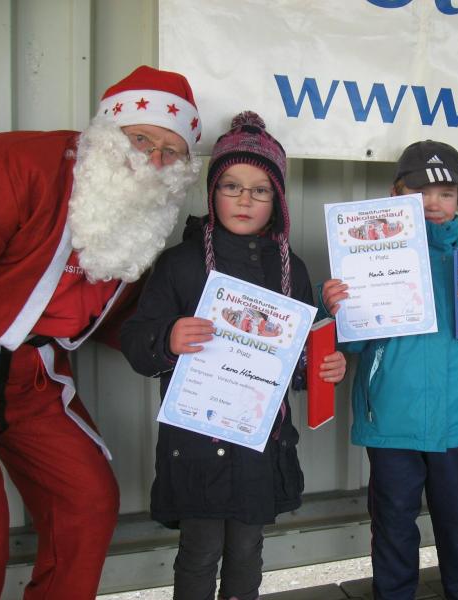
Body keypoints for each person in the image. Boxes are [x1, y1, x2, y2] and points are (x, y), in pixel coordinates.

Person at [0, 65, 203, 600]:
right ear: (106, 131)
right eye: (141, 139)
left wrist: (201, 344)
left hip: (33, 378)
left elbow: (117, 319)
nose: (153, 161)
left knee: (86, 502)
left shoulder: (144, 213)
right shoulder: (15, 163)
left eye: (170, 152)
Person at [120, 111, 347, 600]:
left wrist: (324, 367)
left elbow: (301, 360)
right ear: (212, 193)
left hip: (260, 445)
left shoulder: (291, 268)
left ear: (277, 200)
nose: (245, 199)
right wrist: (168, 337)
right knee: (200, 552)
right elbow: (135, 342)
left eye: (260, 190)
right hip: (196, 444)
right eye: (231, 186)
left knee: (247, 550)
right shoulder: (179, 265)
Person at [321, 140, 458, 600]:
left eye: (446, 193)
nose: (433, 203)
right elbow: (353, 343)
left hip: (453, 423)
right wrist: (337, 307)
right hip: (390, 422)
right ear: (395, 194)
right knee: (393, 527)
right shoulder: (364, 258)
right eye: (420, 192)